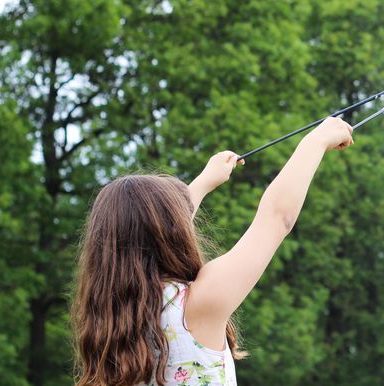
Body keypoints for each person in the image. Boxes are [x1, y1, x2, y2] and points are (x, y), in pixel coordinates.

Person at [71, 117, 354, 386]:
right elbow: (277, 217)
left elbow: (154, 230)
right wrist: (316, 140)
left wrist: (204, 182)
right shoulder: (195, 305)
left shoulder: (109, 326)